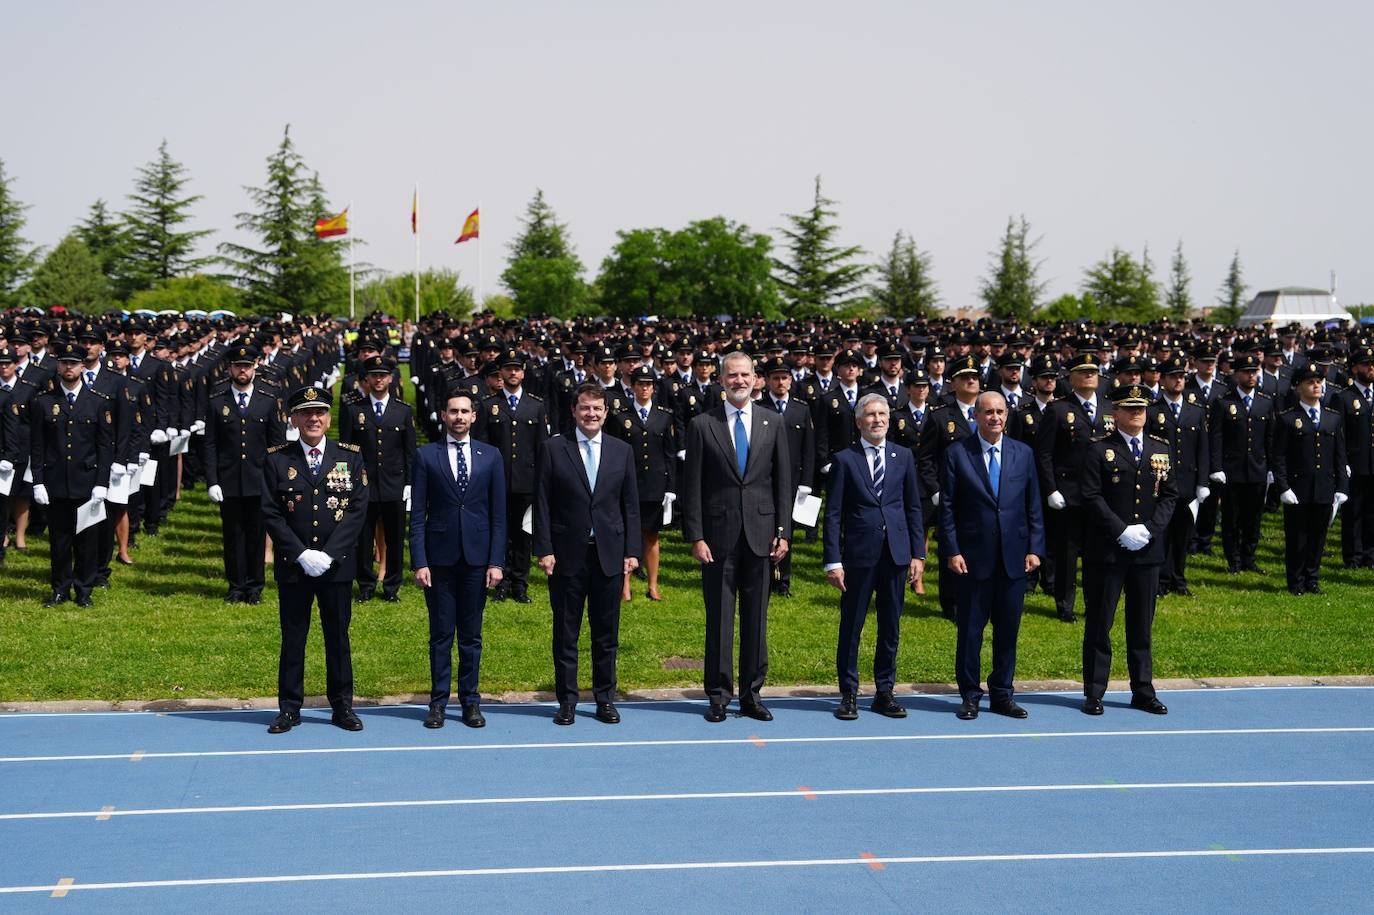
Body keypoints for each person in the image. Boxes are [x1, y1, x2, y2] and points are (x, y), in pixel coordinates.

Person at [682, 350, 792, 723]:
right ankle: (718, 694)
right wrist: (696, 535)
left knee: (756, 619)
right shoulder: (702, 425)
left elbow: (783, 483)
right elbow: (691, 486)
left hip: (762, 534)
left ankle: (752, 693)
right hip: (717, 536)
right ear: (721, 381)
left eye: (745, 375)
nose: (739, 381)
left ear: (755, 378)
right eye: (732, 376)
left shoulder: (772, 422)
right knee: (720, 618)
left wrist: (783, 533)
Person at [260, 386, 369, 733]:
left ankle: (342, 707)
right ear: (294, 419)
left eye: (320, 412)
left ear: (329, 417)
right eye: (306, 413)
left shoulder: (349, 456)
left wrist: (329, 554)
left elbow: (357, 508)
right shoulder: (277, 458)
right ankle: (289, 708)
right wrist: (301, 553)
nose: (313, 419)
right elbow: (270, 512)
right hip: (295, 566)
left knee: (338, 637)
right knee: (293, 638)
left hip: (336, 567)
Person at [533, 382, 641, 725]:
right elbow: (543, 504)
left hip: (609, 555)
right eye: (585, 408)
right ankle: (567, 701)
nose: (591, 414)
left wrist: (632, 551)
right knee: (566, 632)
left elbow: (631, 506)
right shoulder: (553, 448)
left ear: (606, 413)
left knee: (606, 634)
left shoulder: (622, 450)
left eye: (597, 408)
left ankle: (605, 698)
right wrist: (545, 548)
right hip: (566, 556)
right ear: (574, 411)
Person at [940, 391, 1044, 720]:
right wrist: (952, 550)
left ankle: (1002, 693)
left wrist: (1035, 548)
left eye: (1000, 412)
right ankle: (970, 694)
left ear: (1007, 415)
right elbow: (947, 508)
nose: (995, 417)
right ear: (976, 416)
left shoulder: (1023, 453)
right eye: (988, 412)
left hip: (1014, 558)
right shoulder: (957, 453)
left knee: (1007, 630)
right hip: (972, 558)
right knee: (970, 631)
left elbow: (1033, 505)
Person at [1079, 385, 1179, 716]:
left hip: (1147, 551)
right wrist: (1121, 530)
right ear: (1116, 413)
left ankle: (1143, 689)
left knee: (1141, 625)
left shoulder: (1159, 448)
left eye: (1141, 408)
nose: (1136, 413)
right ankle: (1094, 692)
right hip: (1107, 551)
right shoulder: (1098, 450)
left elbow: (1169, 495)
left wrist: (1150, 529)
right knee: (1099, 624)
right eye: (1129, 408)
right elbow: (1091, 496)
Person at [823, 393, 924, 720]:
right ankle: (849, 693)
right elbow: (833, 514)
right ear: (858, 421)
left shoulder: (903, 456)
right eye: (870, 415)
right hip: (858, 556)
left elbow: (912, 507)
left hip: (895, 555)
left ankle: (884, 691)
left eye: (882, 414)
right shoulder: (844, 459)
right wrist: (833, 560)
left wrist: (918, 554)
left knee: (890, 626)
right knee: (852, 626)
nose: (877, 419)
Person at [409, 391, 506, 729]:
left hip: (477, 559)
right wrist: (419, 561)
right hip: (439, 560)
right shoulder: (425, 456)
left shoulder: (491, 456)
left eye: (465, 411)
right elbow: (417, 513)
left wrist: (496, 561)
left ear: (474, 417)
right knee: (440, 635)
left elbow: (498, 515)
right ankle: (437, 703)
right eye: (453, 411)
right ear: (443, 415)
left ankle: (470, 702)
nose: (459, 417)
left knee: (471, 635)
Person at [29, 342, 116, 607]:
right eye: (64, 362)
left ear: (82, 366)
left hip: (87, 482)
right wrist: (38, 481)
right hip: (55, 481)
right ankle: (60, 588)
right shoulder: (43, 402)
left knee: (87, 541)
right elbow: (37, 445)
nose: (69, 367)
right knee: (59, 540)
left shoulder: (98, 402)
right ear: (58, 366)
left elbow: (104, 447)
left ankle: (84, 590)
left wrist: (102, 483)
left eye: (74, 363)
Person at [204, 345, 286, 605]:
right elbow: (209, 444)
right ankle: (235, 585)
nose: (242, 370)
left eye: (247, 366)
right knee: (232, 535)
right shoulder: (217, 401)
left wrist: (276, 480)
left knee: (256, 534)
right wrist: (212, 480)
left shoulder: (267, 399)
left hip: (258, 479)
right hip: (228, 481)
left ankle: (254, 587)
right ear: (230, 368)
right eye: (238, 366)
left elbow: (276, 445)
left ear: (255, 367)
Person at [1035, 351, 1112, 623]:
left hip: (1100, 493)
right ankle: (1064, 603)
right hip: (1069, 492)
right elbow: (1043, 453)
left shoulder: (1110, 407)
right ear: (1071, 377)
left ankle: (1094, 601)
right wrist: (1050, 489)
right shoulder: (1058, 409)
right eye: (1082, 371)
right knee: (1067, 553)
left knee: (1096, 552)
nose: (1089, 375)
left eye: (1093, 370)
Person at [340, 355, 417, 602]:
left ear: (391, 378)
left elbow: (409, 451)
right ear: (367, 379)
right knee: (363, 540)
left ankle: (392, 586)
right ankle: (365, 585)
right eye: (374, 375)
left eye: (383, 375)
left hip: (394, 484)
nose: (379, 379)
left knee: (395, 540)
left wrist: (409, 484)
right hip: (363, 485)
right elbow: (347, 450)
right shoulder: (354, 410)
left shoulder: (403, 411)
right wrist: (347, 483)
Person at [473, 348, 547, 603]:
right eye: (508, 368)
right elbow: (480, 446)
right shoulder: (488, 405)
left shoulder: (536, 406)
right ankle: (500, 582)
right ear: (501, 374)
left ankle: (520, 583)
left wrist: (542, 482)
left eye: (517, 368)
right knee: (499, 532)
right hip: (497, 481)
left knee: (524, 534)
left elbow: (542, 448)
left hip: (527, 482)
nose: (513, 372)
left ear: (523, 373)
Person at [1271, 366, 1348, 595]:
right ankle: (1296, 581)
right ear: (1298, 387)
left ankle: (1312, 579)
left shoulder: (1333, 418)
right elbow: (1279, 457)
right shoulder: (1287, 418)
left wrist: (1342, 486)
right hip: (1298, 488)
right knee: (1297, 537)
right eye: (1310, 382)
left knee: (1318, 537)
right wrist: (1283, 487)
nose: (1316, 385)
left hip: (1324, 487)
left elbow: (1339, 455)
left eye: (1319, 381)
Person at [606, 366, 677, 601]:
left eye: (648, 384)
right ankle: (624, 586)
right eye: (640, 384)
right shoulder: (621, 416)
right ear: (633, 387)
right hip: (629, 484)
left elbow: (670, 454)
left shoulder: (665, 416)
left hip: (655, 485)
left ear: (653, 388)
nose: (644, 388)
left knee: (651, 536)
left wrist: (671, 487)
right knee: (627, 533)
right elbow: (614, 453)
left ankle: (652, 585)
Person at [1148, 356, 1210, 597]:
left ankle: (1179, 579)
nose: (1179, 381)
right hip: (1161, 483)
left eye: (1182, 376)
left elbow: (1202, 450)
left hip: (1188, 482)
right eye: (1173, 377)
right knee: (1162, 534)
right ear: (1162, 380)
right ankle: (1162, 581)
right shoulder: (1153, 411)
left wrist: (1203, 482)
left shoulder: (1195, 411)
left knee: (1183, 535)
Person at [1208, 353, 1276, 574]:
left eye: (1254, 372)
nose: (1251, 376)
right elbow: (1216, 438)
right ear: (1236, 374)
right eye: (1246, 372)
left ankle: (1249, 557)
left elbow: (1269, 439)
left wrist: (1271, 468)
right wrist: (1216, 467)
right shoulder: (1224, 402)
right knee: (1232, 518)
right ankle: (1234, 560)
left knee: (1253, 518)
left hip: (1257, 469)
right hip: (1232, 470)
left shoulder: (1265, 402)